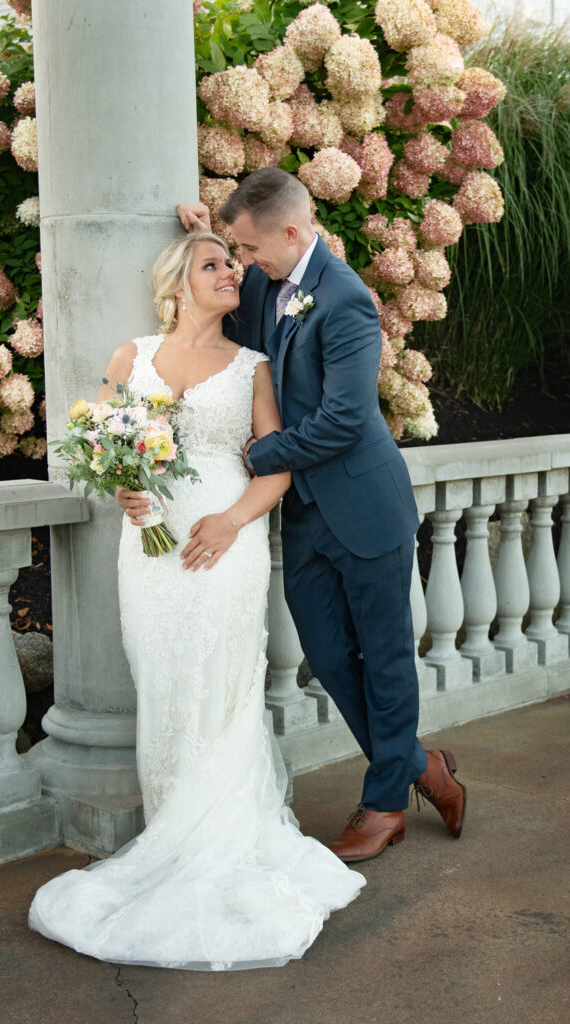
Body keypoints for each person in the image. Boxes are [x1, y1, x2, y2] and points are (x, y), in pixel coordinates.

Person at [29, 231, 366, 970]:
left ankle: (221, 837)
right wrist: (121, 485)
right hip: (150, 545)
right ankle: (172, 827)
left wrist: (230, 521)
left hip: (225, 540)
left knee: (221, 685)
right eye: (213, 263)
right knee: (166, 679)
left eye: (233, 263)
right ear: (177, 282)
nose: (229, 272)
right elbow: (98, 441)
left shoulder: (251, 367)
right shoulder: (132, 356)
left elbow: (273, 470)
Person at [167, 168, 467, 863]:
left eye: (246, 249)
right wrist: (205, 237)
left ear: (293, 233)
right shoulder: (271, 284)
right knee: (330, 660)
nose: (243, 263)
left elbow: (345, 418)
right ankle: (420, 766)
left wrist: (266, 450)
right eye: (235, 254)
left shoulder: (345, 300)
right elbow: (236, 323)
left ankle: (385, 802)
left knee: (385, 661)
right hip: (302, 514)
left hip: (364, 508)